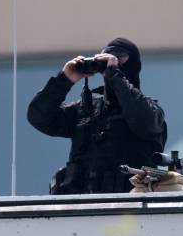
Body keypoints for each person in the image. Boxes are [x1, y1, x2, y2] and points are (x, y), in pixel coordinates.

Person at [27, 38, 167, 194]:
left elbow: (143, 121)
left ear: (133, 64)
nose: (111, 61)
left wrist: (115, 74)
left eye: (119, 57)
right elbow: (39, 117)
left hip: (128, 211)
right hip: (81, 212)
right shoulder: (84, 110)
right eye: (106, 58)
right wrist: (64, 79)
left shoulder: (151, 111)